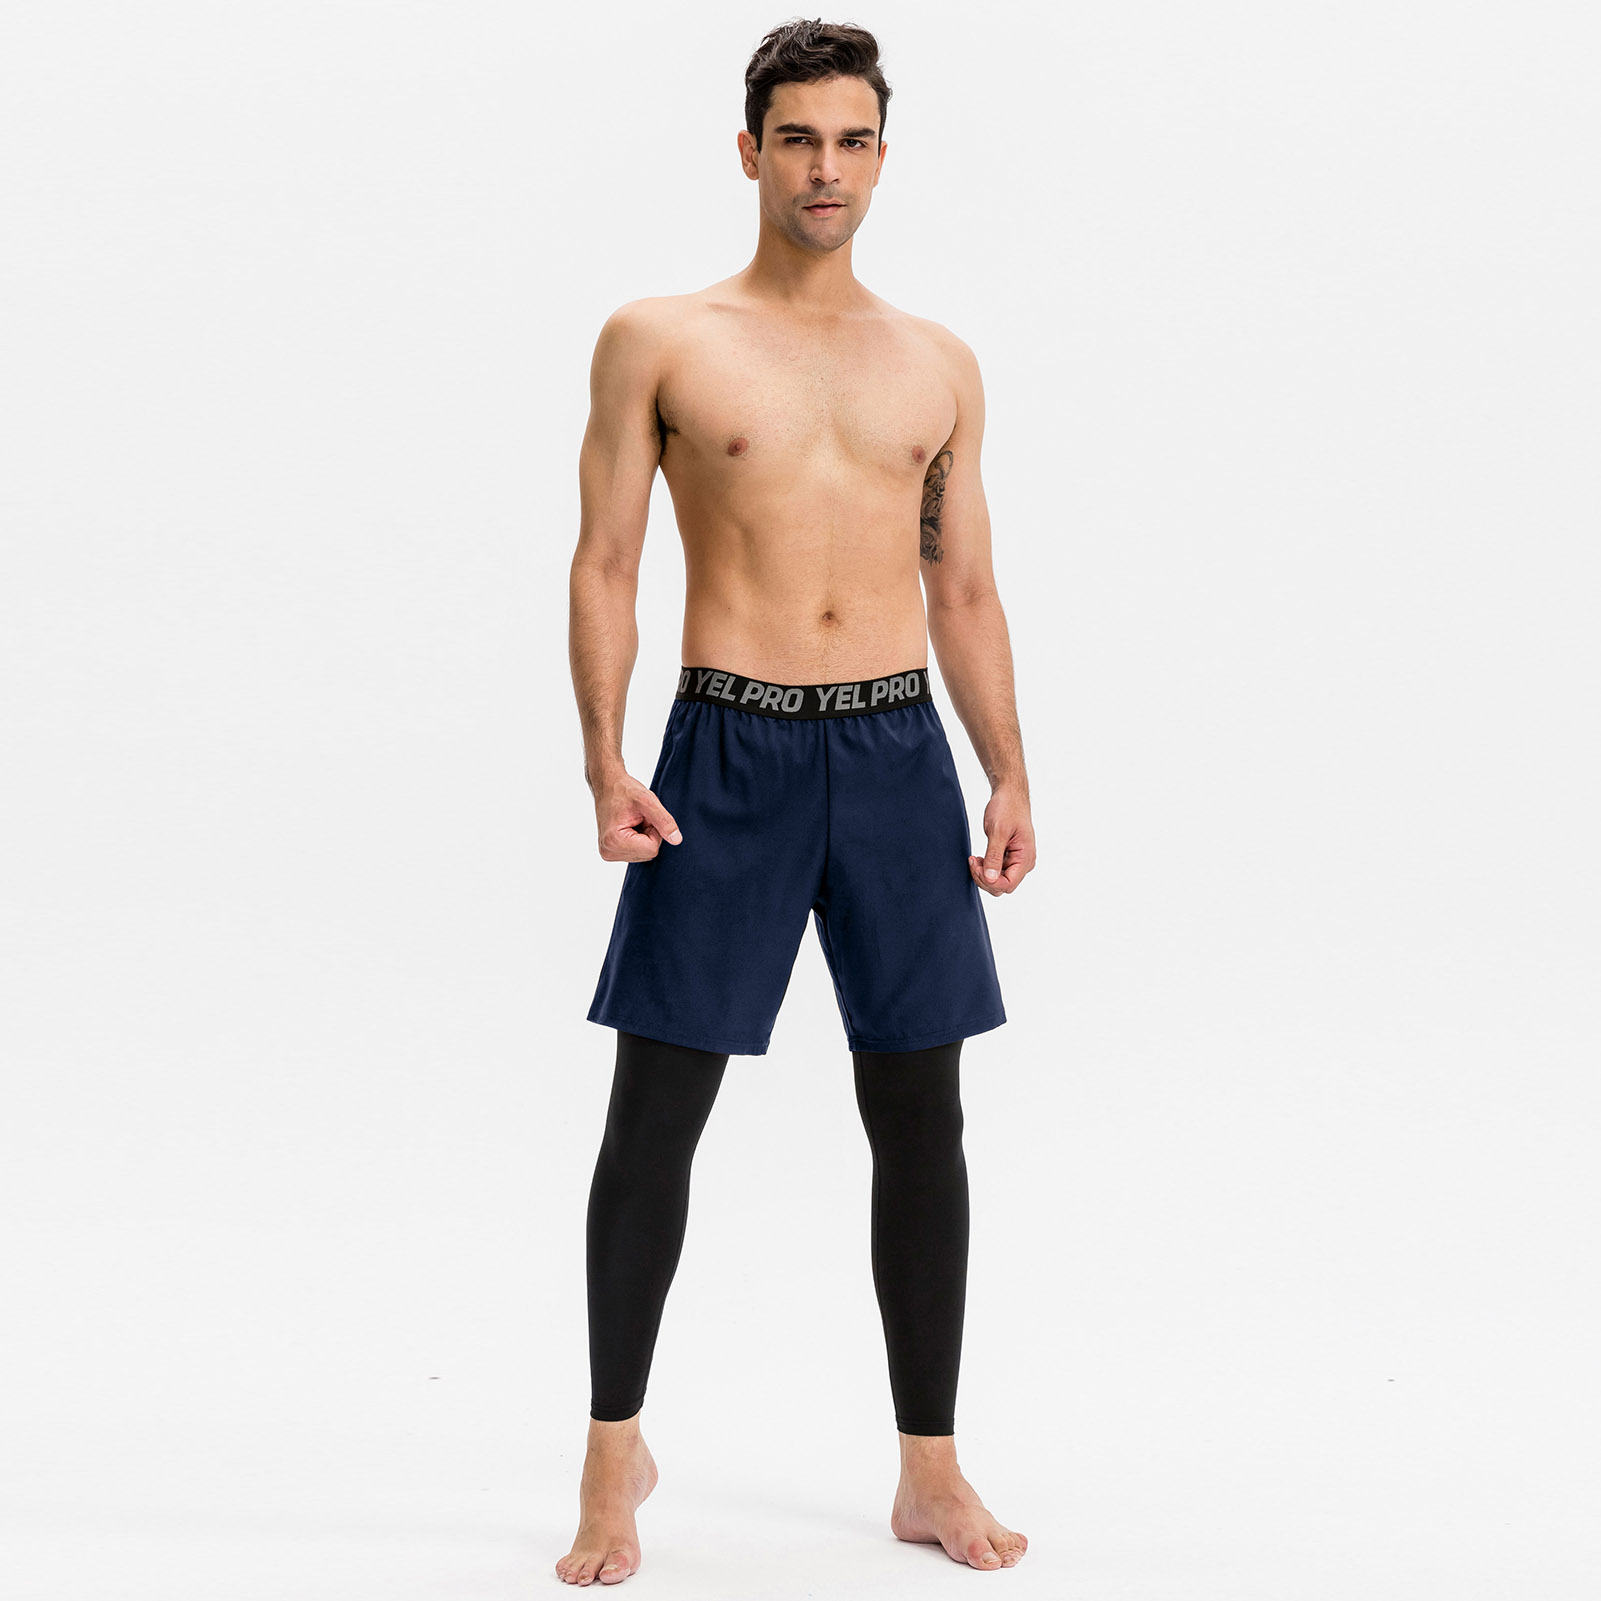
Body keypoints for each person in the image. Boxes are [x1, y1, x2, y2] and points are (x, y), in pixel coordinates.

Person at [560, 18, 1035, 1586]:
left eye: (851, 141)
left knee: (920, 1113)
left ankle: (927, 1464)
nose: (824, 168)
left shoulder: (936, 363)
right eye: (797, 139)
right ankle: (612, 1453)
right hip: (728, 748)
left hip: (896, 753)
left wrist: (1007, 768)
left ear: (881, 158)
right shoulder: (660, 338)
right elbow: (607, 562)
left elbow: (962, 587)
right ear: (748, 150)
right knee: (657, 1107)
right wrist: (604, 756)